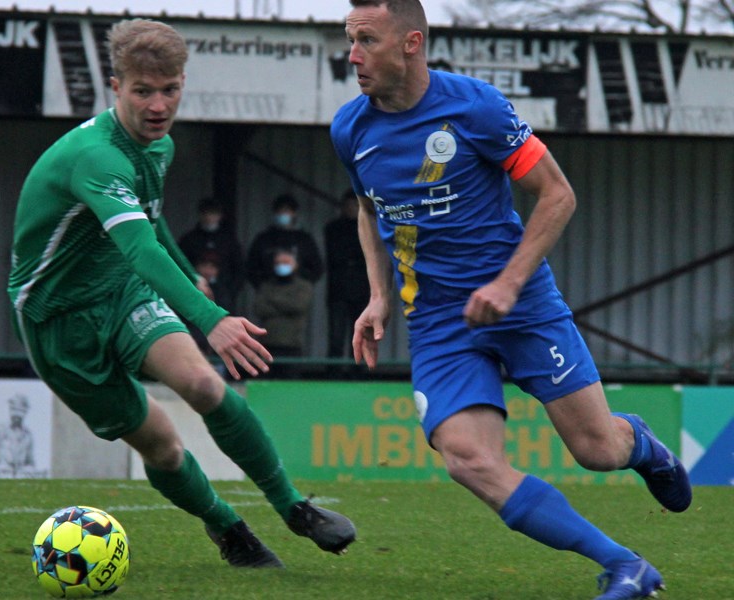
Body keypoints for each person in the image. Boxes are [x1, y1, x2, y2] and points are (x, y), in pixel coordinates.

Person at [330, 2, 691, 598]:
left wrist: (507, 283)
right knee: (468, 460)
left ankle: (642, 445)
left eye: (367, 40)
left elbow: (557, 194)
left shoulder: (476, 107)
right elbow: (370, 210)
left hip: (522, 305)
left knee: (597, 450)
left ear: (411, 43)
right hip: (438, 322)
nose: (353, 56)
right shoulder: (350, 128)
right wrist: (378, 295)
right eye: (350, 39)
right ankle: (624, 565)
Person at [7, 18, 355, 569]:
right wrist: (211, 317)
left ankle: (294, 508)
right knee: (164, 445)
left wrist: (189, 274)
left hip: (121, 291)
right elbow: (139, 247)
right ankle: (229, 529)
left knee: (204, 384)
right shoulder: (96, 156)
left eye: (169, 90)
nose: (158, 105)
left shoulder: (159, 146)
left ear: (183, 82)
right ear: (116, 87)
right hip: (60, 322)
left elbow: (149, 221)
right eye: (142, 91)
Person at [324, 188, 370, 364]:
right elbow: (335, 256)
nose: (351, 209)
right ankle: (334, 372)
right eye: (348, 205)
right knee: (336, 336)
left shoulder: (368, 229)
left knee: (359, 335)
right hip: (338, 291)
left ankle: (358, 371)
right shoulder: (333, 228)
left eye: (355, 205)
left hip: (362, 291)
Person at [253, 249, 315, 378]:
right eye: (278, 263)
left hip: (292, 345)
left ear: (296, 265)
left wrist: (273, 299)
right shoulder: (266, 285)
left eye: (286, 262)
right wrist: (286, 305)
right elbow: (260, 308)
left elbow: (298, 306)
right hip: (267, 344)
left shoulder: (303, 286)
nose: (282, 266)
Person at [178, 196, 245, 312]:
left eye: (213, 213)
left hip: (223, 294)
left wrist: (230, 291)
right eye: (206, 213)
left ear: (220, 215)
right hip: (194, 292)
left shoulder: (229, 240)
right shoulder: (189, 240)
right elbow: (180, 264)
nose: (209, 217)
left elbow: (239, 268)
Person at [245, 193, 324, 290]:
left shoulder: (304, 239)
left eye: (286, 210)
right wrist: (262, 286)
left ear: (294, 213)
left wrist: (304, 285)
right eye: (279, 211)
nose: (282, 214)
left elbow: (317, 268)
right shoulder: (263, 239)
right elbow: (251, 267)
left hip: (297, 292)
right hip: (269, 291)